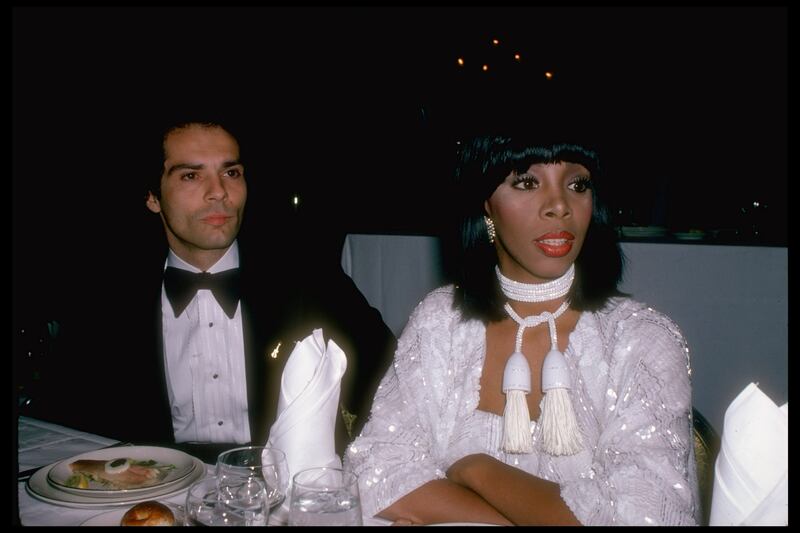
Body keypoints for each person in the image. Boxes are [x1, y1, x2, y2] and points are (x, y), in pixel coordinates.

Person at [344, 134, 700, 525]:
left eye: (577, 184)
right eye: (527, 182)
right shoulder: (440, 321)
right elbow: (375, 473)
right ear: (486, 207)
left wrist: (476, 469)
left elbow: (646, 516)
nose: (559, 206)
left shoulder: (641, 341)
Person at [34, 117, 395, 463]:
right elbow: (69, 420)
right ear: (152, 198)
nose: (219, 192)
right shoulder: (106, 300)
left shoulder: (307, 279)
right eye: (191, 175)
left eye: (231, 173)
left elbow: (390, 375)